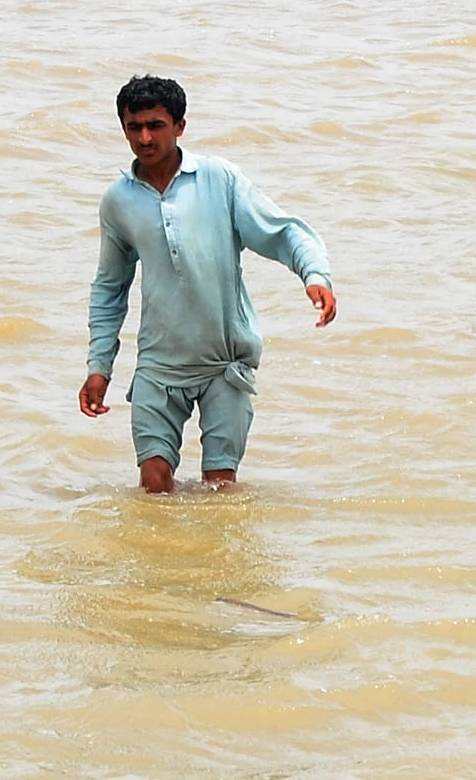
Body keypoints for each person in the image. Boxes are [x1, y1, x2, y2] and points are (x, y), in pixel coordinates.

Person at [81, 74, 336, 494]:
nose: (145, 138)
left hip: (225, 364)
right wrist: (98, 367)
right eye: (134, 127)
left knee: (220, 489)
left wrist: (314, 275)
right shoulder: (118, 202)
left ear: (180, 126)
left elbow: (280, 232)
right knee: (154, 486)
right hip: (159, 366)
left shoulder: (219, 179)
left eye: (156, 125)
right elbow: (110, 289)